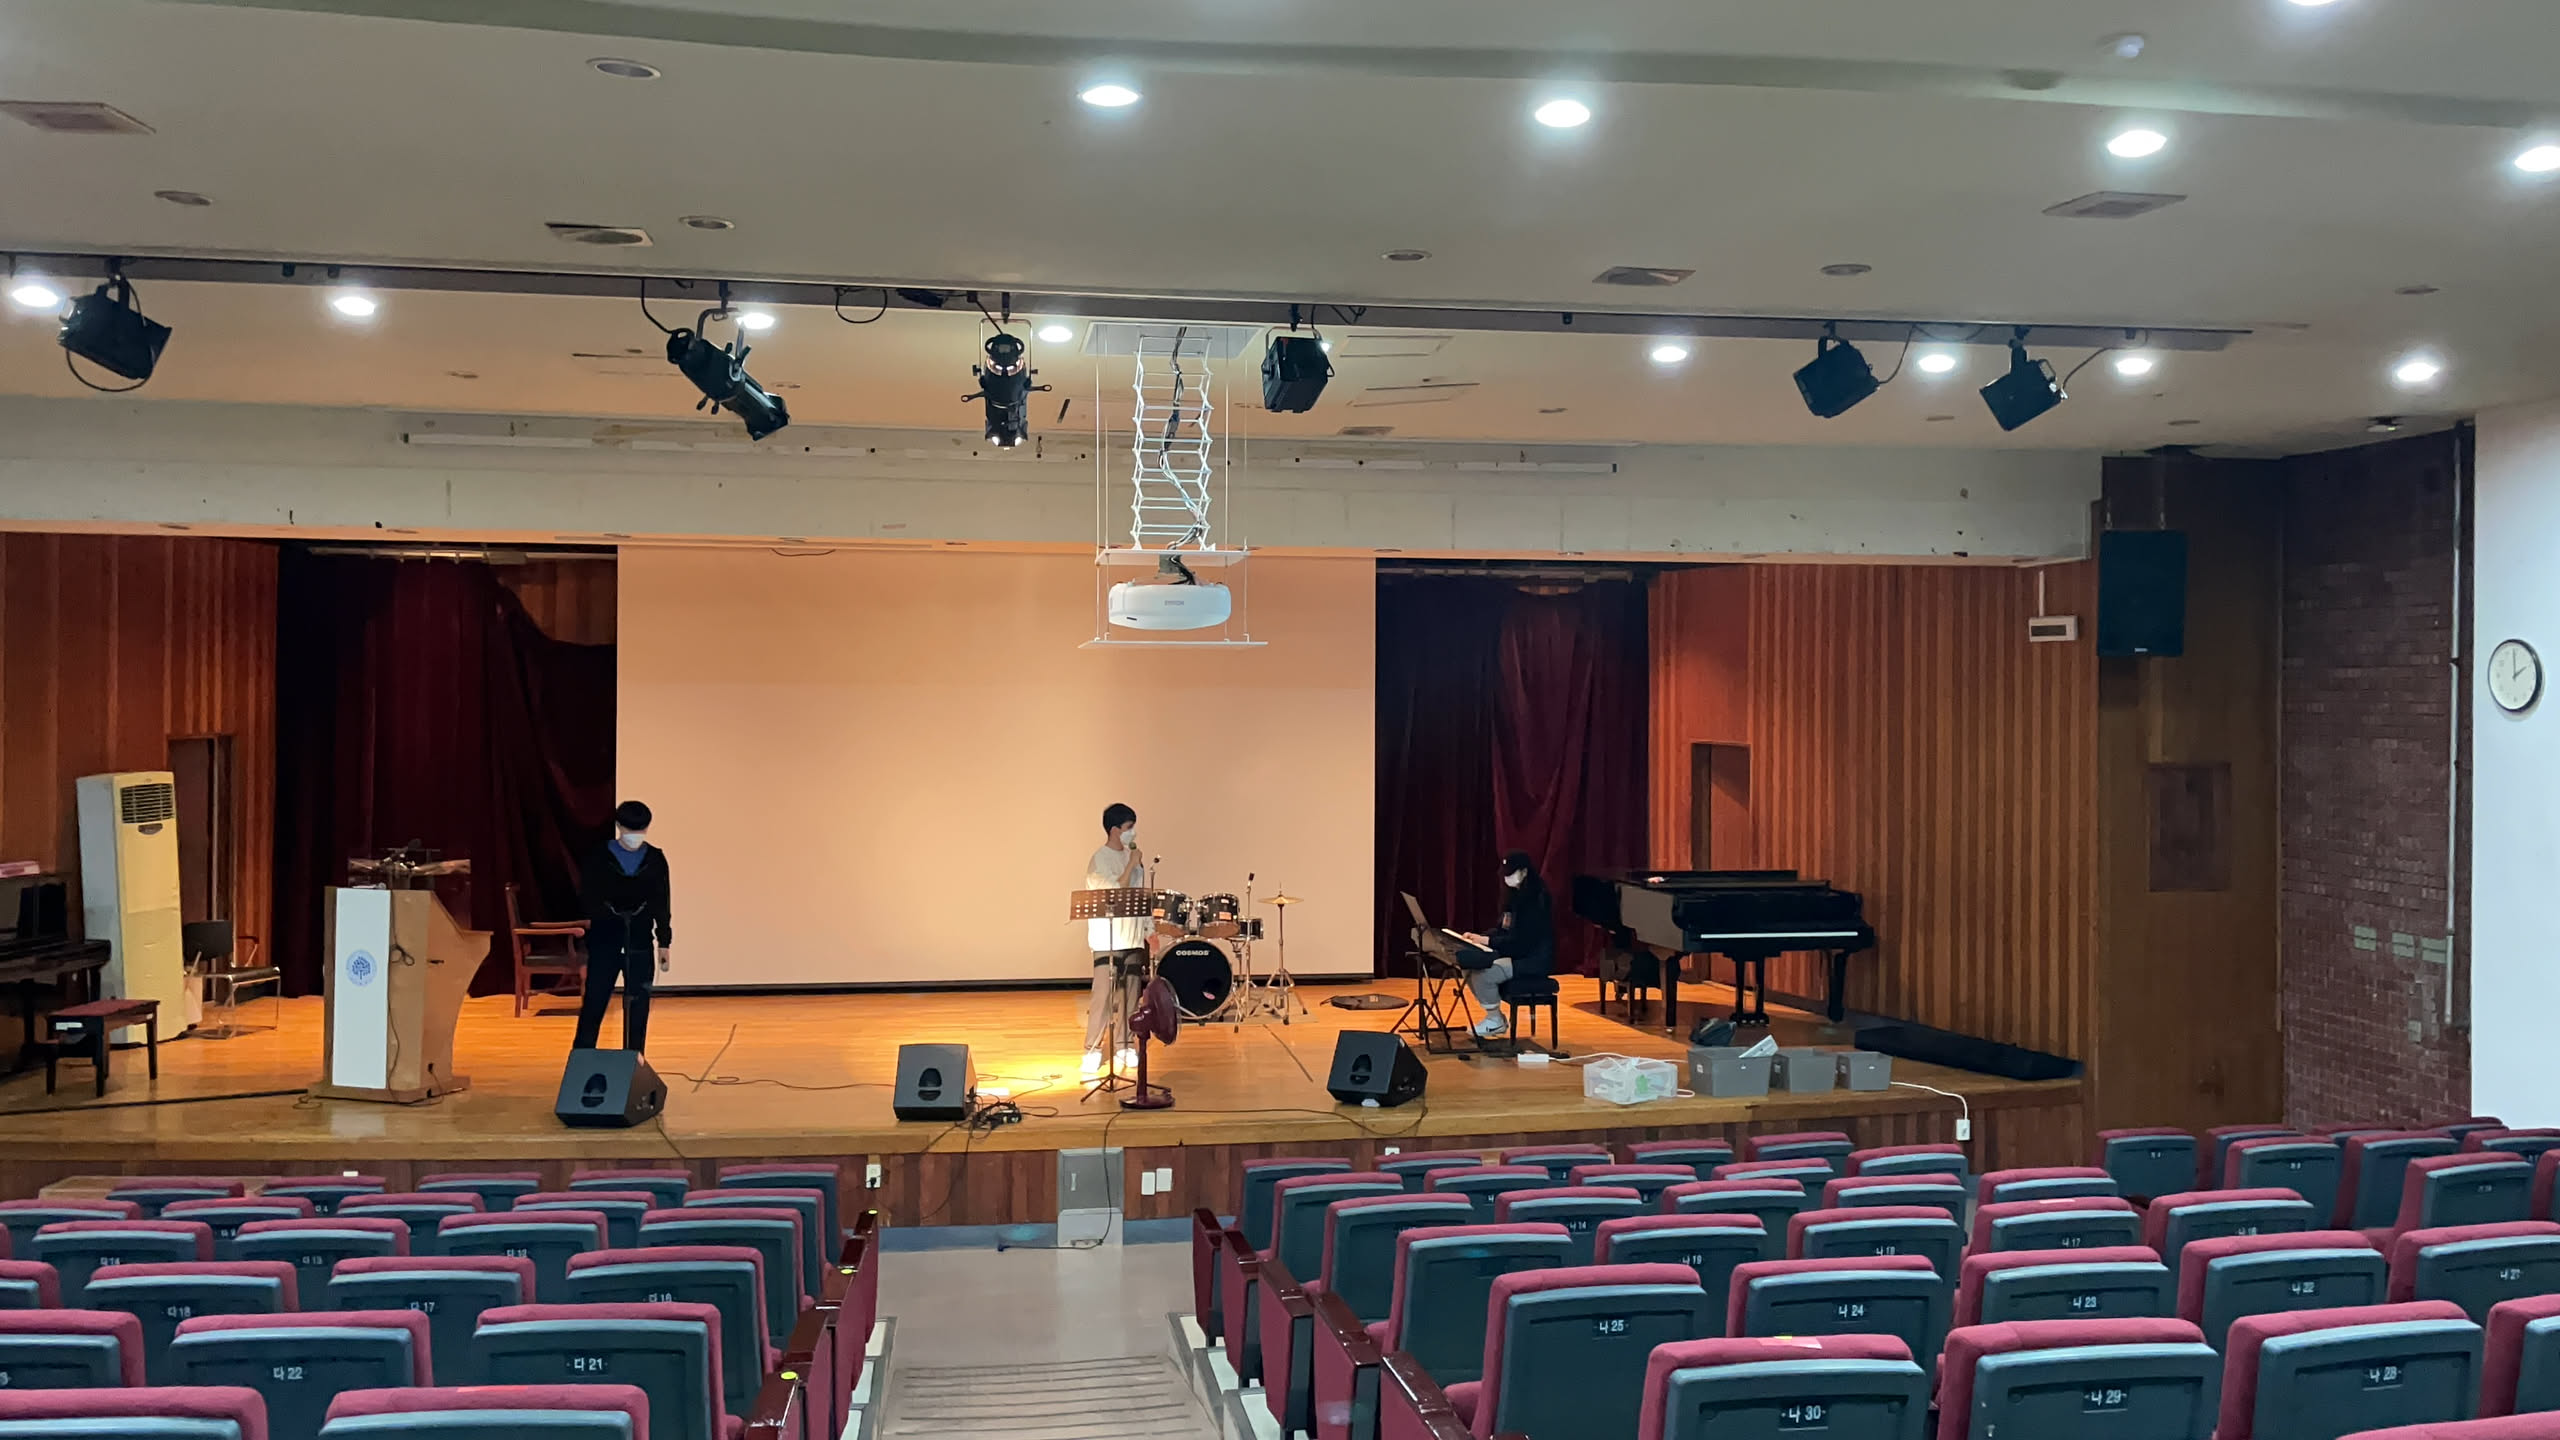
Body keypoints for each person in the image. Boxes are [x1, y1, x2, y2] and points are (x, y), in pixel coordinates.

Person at [575, 799, 672, 1053]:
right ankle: (582, 1057)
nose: (635, 835)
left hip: (639, 941)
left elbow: (662, 901)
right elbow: (587, 896)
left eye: (640, 829)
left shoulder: (655, 859)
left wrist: (664, 941)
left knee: (638, 1004)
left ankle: (634, 1059)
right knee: (595, 1001)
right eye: (630, 829)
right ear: (619, 826)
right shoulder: (599, 856)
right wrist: (608, 914)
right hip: (605, 940)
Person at [1083, 803, 1148, 1076]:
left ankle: (1125, 1044)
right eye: (1129, 828)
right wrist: (1131, 864)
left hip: (1132, 936)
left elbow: (1140, 896)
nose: (1133, 833)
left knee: (1131, 994)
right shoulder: (1100, 859)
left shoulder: (1135, 859)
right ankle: (1092, 1049)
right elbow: (1114, 890)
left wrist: (1149, 930)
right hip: (1107, 939)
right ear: (1114, 830)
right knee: (1103, 996)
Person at [1463, 850, 1554, 1040]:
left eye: (1511, 873)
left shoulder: (1537, 899)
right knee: (1469, 967)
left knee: (1484, 974)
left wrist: (1488, 942)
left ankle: (1495, 1020)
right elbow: (1503, 929)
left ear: (1524, 872)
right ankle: (1494, 1017)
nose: (1507, 878)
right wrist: (1480, 937)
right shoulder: (1514, 898)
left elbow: (1522, 942)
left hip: (1532, 959)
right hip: (1515, 953)